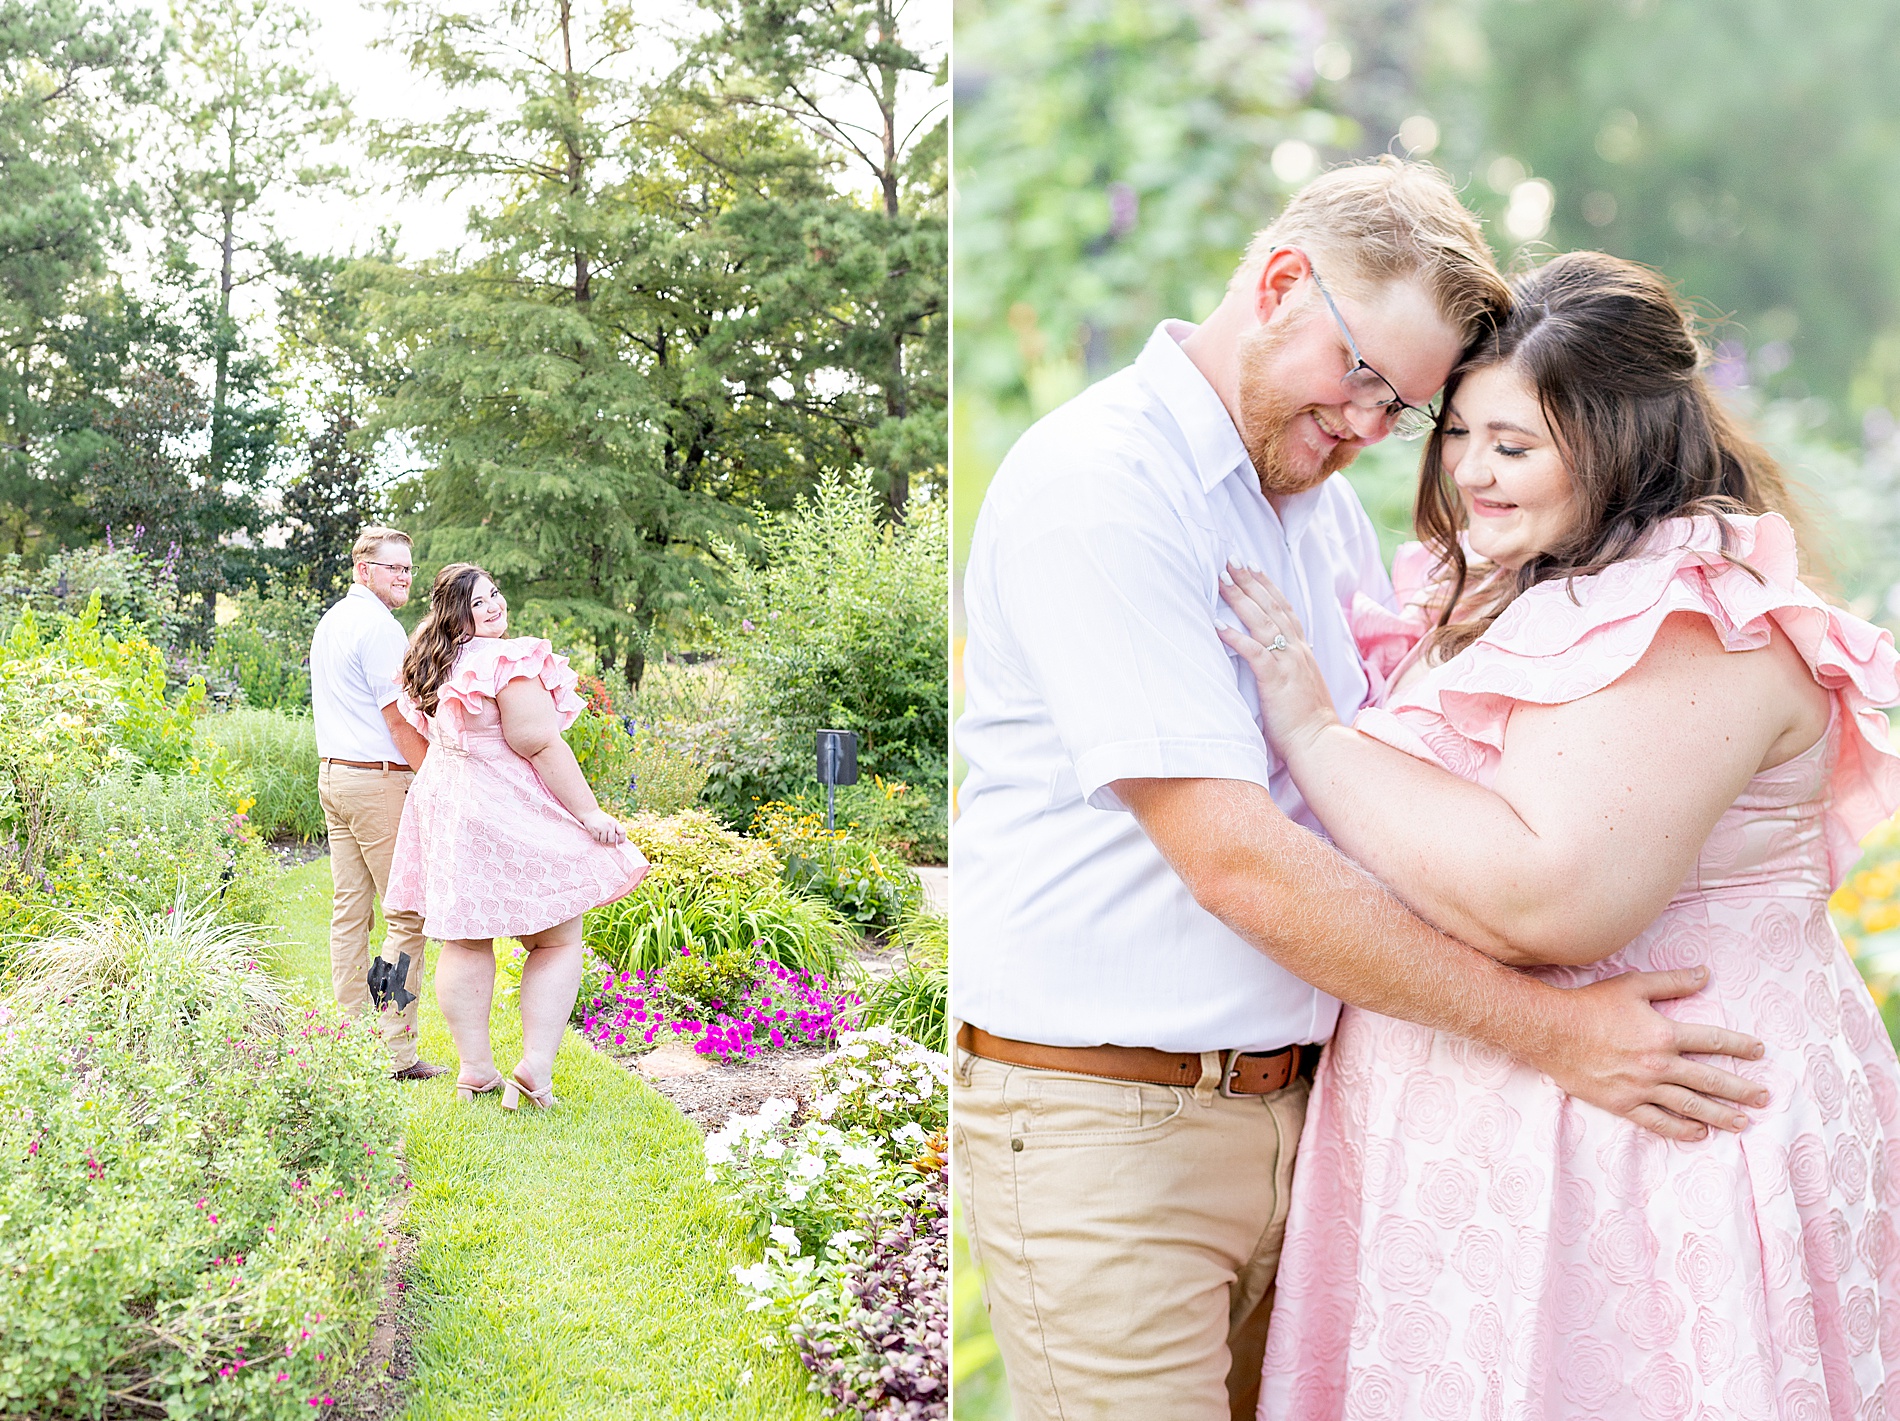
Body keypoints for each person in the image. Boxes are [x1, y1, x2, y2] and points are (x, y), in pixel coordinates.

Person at [951, 159, 1771, 1421]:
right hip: (1112, 1133)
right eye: (1365, 381)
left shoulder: (1311, 508)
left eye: (1409, 407)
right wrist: (1557, 1031)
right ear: (1282, 283)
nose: (1373, 431)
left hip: (1313, 1122)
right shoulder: (1102, 490)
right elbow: (1232, 856)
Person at [1222, 250, 1900, 1418]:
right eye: (1459, 433)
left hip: (1657, 1153)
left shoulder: (1694, 617)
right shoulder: (1524, 581)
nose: (1471, 473)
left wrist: (1318, 736)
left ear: (1619, 441)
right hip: (1504, 1164)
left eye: (1514, 445)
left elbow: (1548, 898)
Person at [385, 563, 647, 1109]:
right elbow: (540, 744)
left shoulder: (432, 658)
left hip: (450, 804)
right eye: (479, 603)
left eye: (495, 595)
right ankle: (534, 1068)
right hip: (503, 805)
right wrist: (590, 813)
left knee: (465, 938)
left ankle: (477, 1071)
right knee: (554, 938)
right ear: (457, 615)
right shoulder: (509, 660)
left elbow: (417, 729)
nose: (494, 606)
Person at [310, 525, 442, 1081]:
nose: (404, 577)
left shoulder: (333, 621)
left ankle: (349, 1038)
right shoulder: (380, 628)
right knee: (406, 913)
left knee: (350, 914)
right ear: (364, 570)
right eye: (393, 567)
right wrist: (435, 772)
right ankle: (395, 1053)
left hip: (336, 779)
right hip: (378, 784)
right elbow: (398, 718)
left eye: (409, 568)